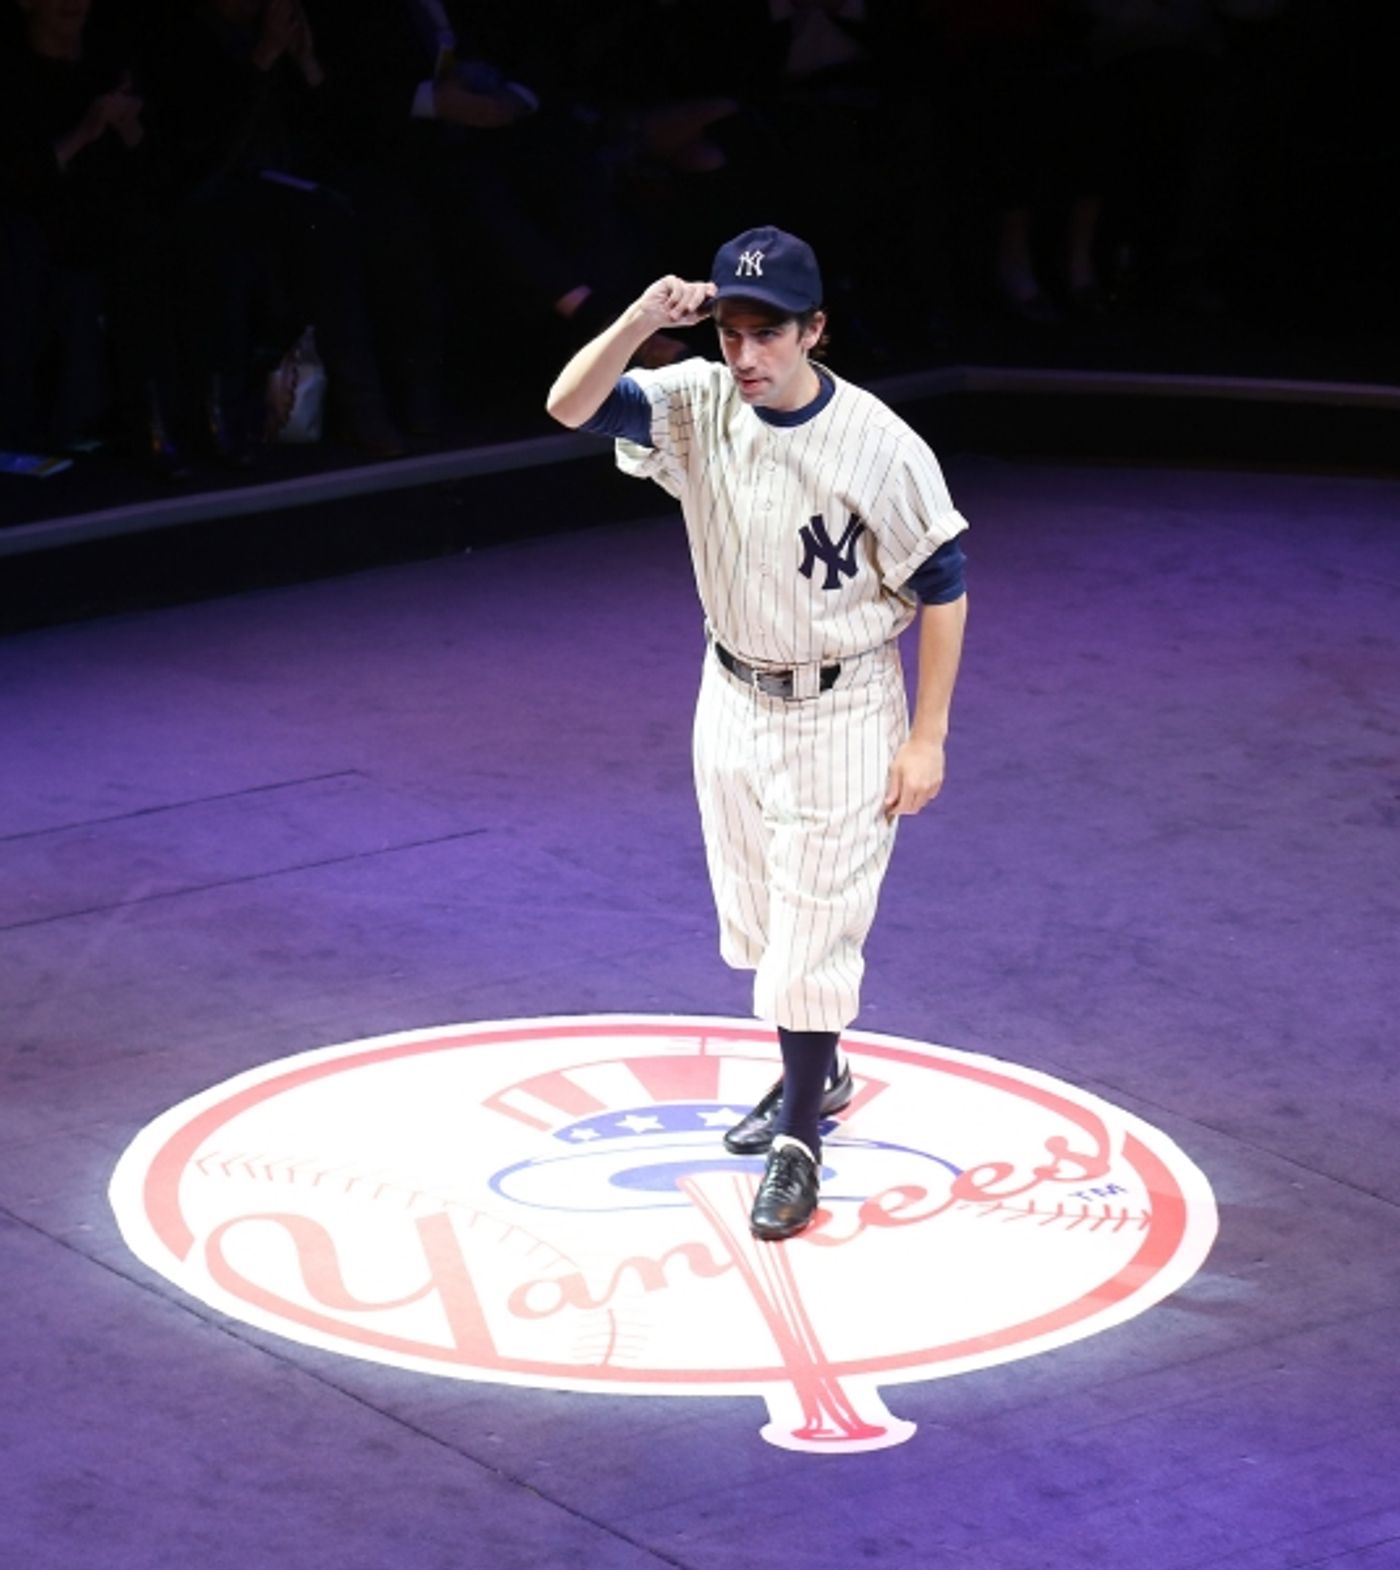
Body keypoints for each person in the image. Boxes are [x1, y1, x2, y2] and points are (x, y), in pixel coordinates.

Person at [546, 225, 969, 1241]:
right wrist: (647, 319)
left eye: (768, 333)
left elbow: (942, 583)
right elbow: (567, 404)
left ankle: (797, 1141)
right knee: (761, 921)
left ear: (814, 330)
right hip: (729, 693)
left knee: (810, 936)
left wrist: (929, 737)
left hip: (843, 703)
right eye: (732, 332)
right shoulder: (696, 401)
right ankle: (817, 1076)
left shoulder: (876, 442)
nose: (745, 355)